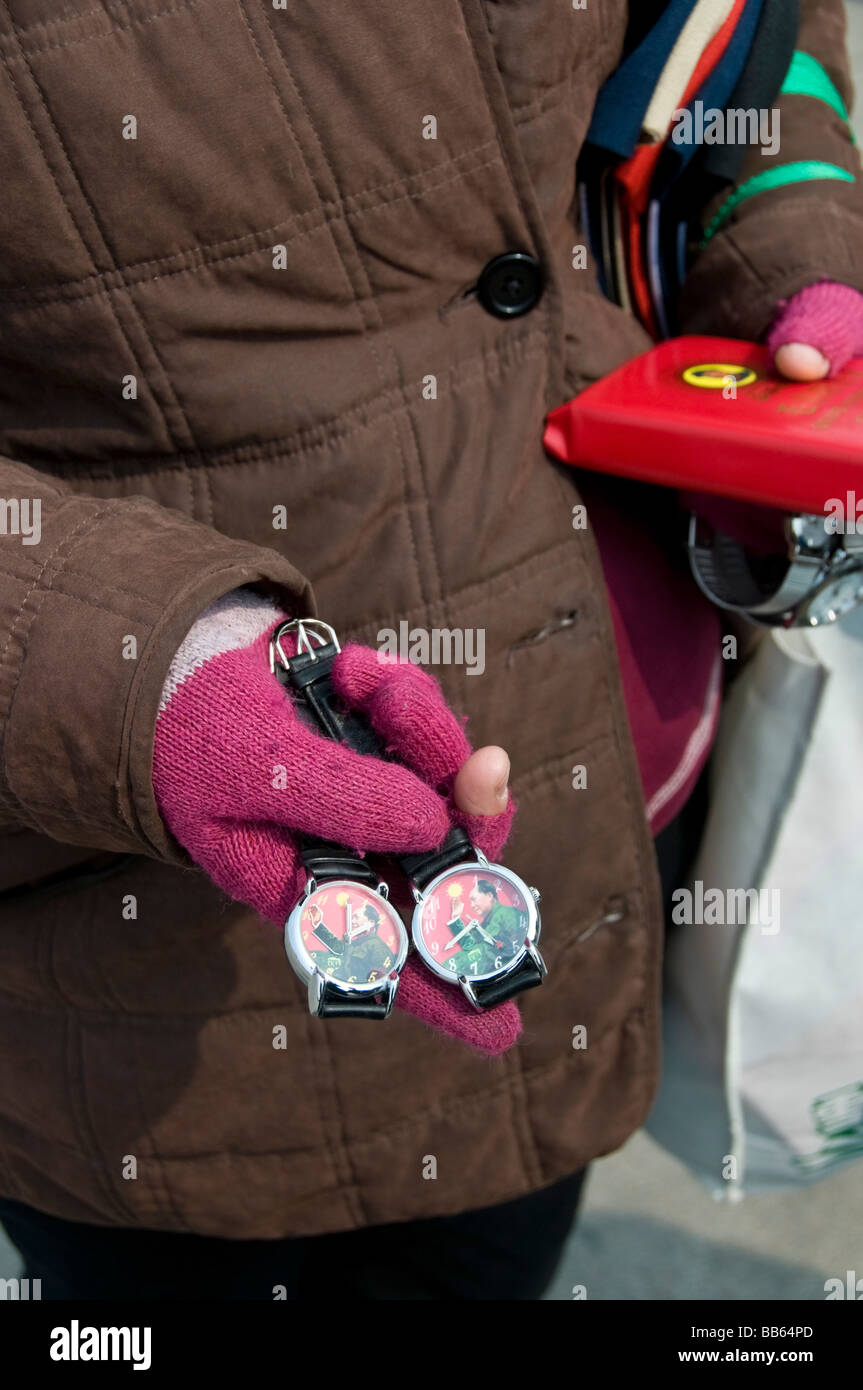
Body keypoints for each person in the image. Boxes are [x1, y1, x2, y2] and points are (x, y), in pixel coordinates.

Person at [0, 0, 862, 1301]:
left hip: (585, 781)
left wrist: (795, 239)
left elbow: (746, 37)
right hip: (138, 961)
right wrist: (127, 657)